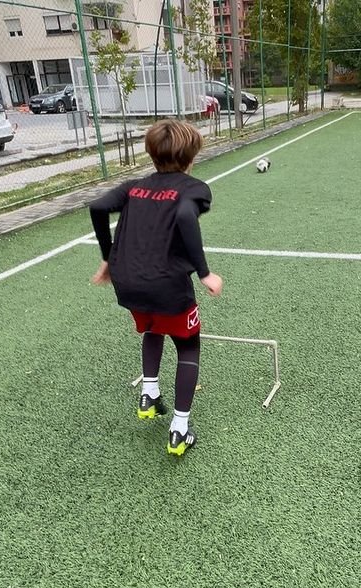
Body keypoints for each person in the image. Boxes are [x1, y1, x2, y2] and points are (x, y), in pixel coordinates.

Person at [89, 120, 223, 457]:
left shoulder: (134, 186)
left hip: (129, 282)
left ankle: (149, 394)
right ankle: (180, 429)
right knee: (188, 347)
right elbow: (185, 217)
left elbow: (97, 206)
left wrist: (108, 257)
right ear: (192, 155)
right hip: (167, 286)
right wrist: (204, 273)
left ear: (151, 153)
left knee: (153, 325)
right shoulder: (194, 188)